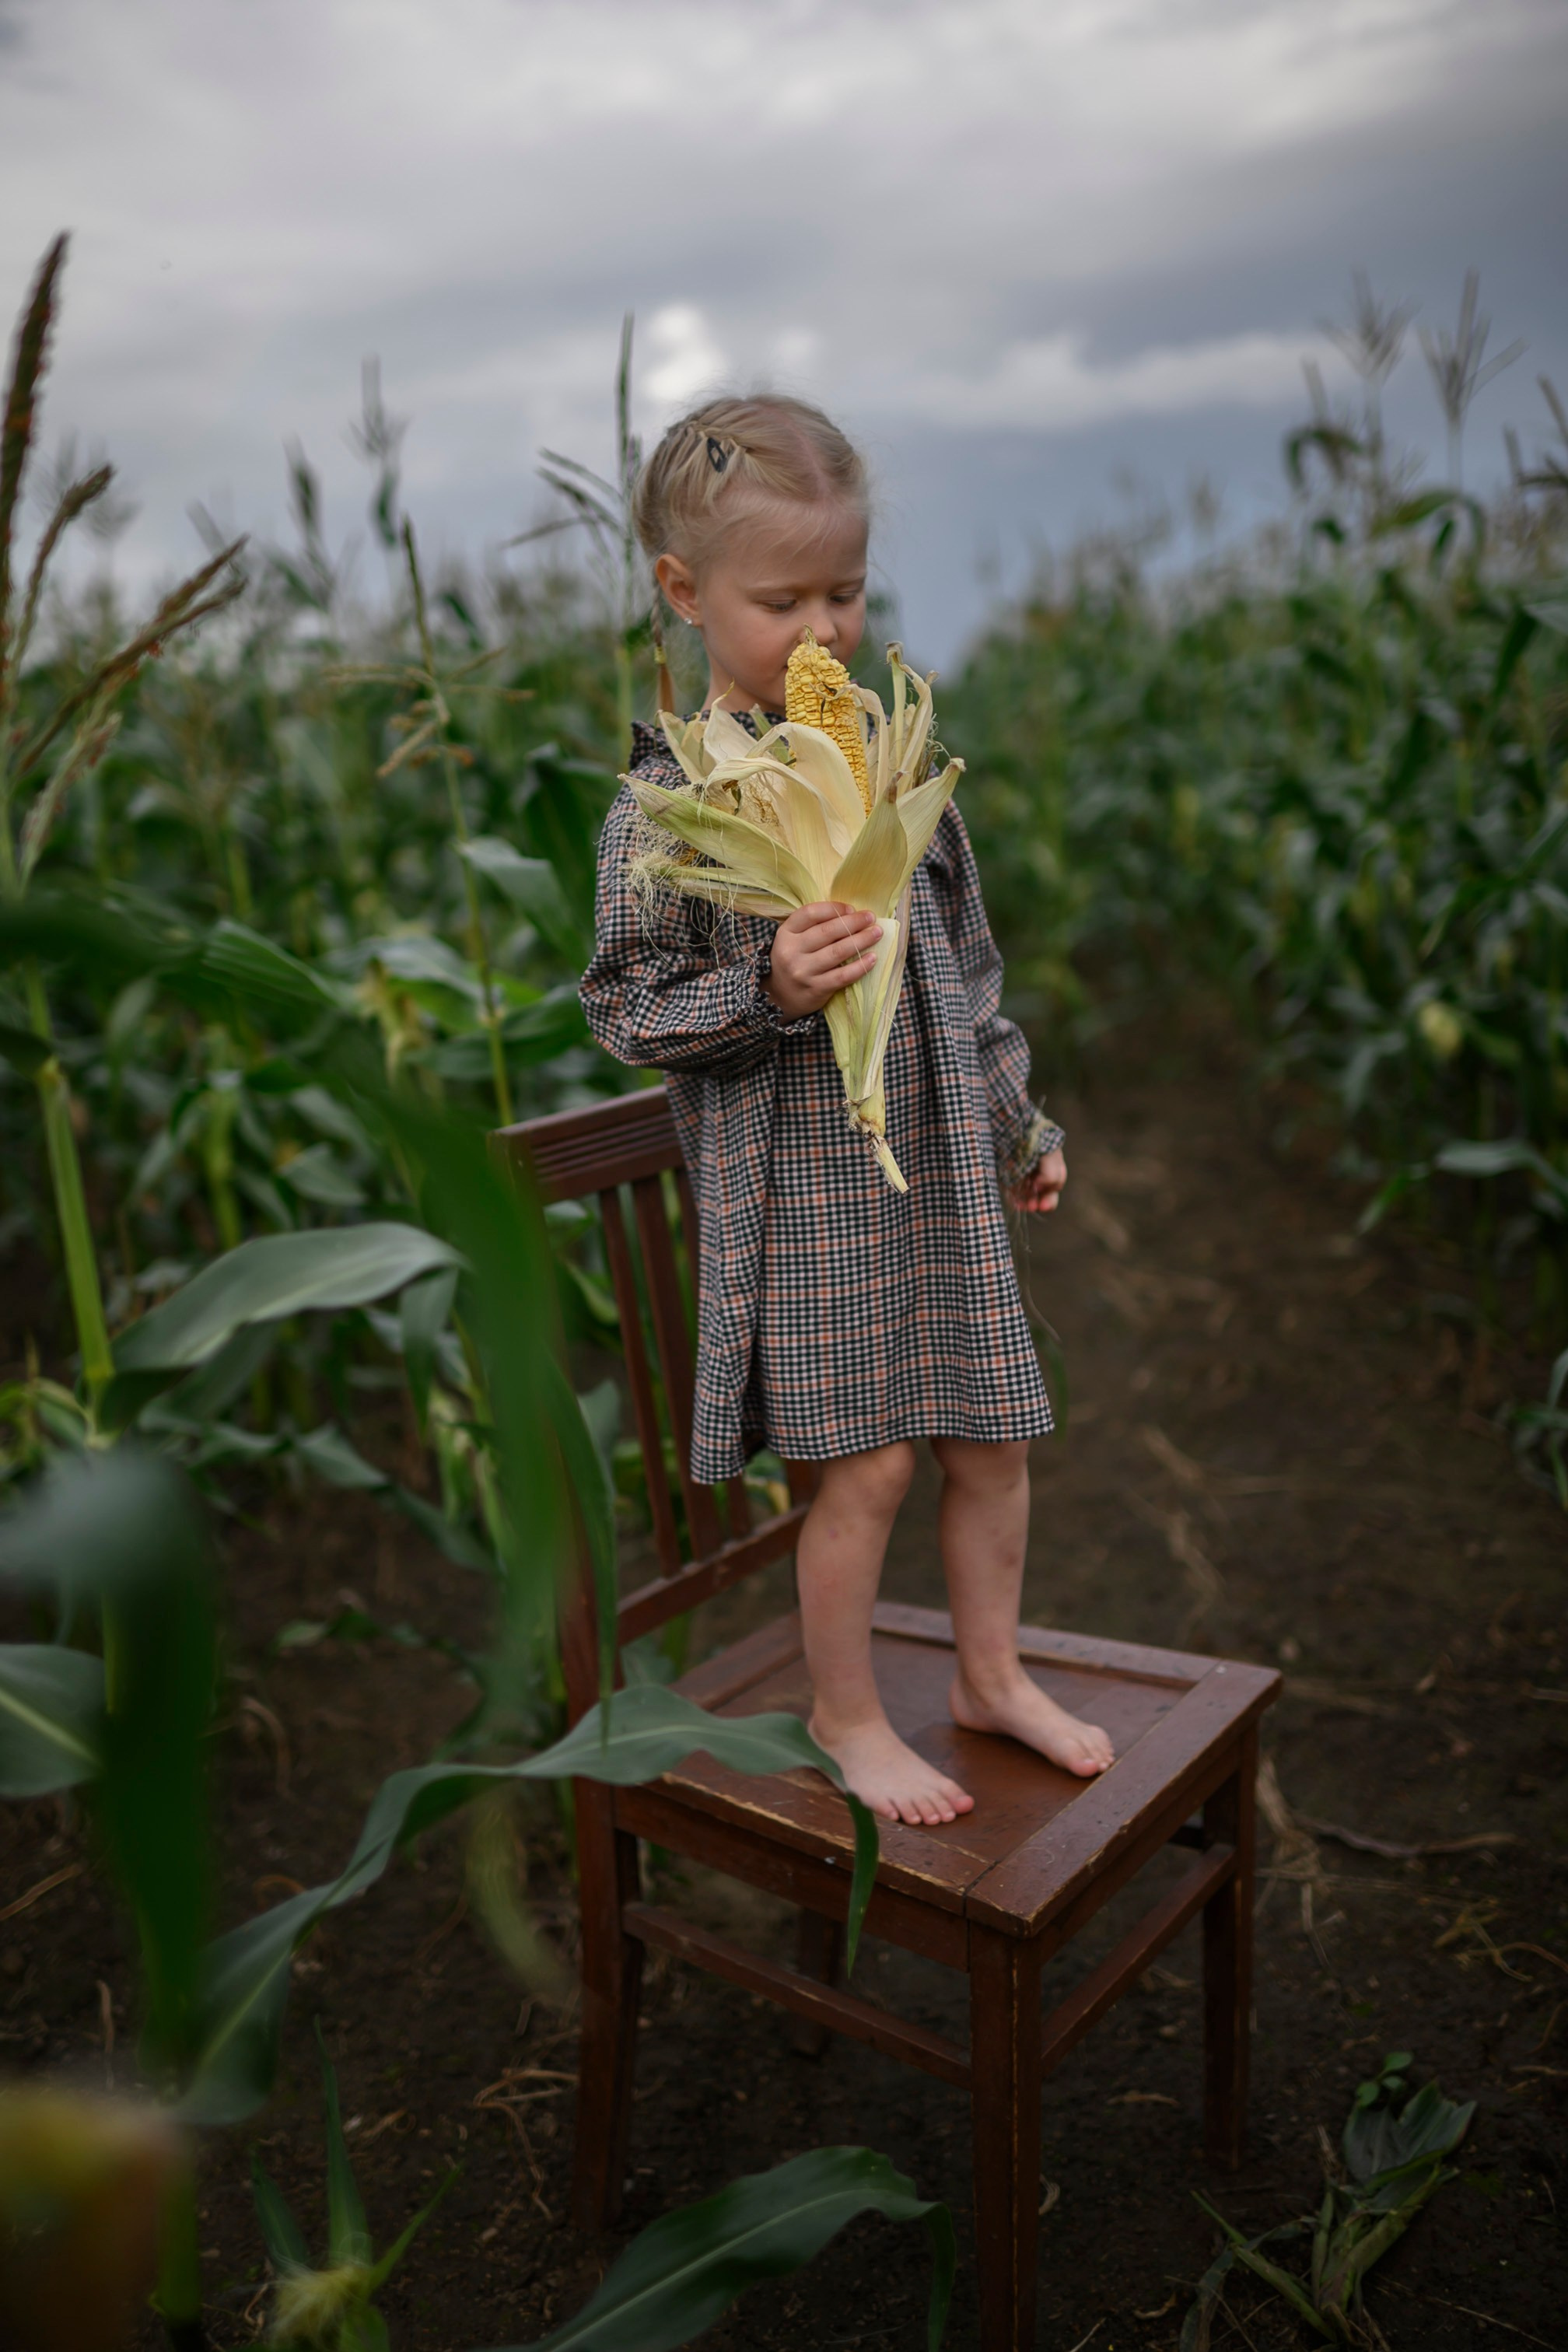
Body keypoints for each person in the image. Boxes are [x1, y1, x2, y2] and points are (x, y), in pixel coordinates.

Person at [579, 394, 1112, 1825]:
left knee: (991, 1438)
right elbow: (624, 1007)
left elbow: (966, 979)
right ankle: (849, 1714)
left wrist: (1018, 1124)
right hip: (806, 1199)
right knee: (866, 1473)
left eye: (846, 592)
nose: (822, 631)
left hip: (934, 1171)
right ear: (685, 592)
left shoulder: (895, 767)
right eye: (783, 602)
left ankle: (991, 1676)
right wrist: (765, 986)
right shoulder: (663, 808)